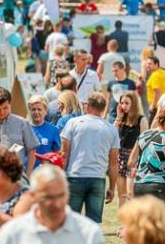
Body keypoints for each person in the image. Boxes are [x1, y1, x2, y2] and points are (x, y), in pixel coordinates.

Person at [61, 92, 120, 223]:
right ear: (104, 108)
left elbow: (64, 154)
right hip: (98, 179)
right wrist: (112, 187)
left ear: (88, 106)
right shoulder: (111, 129)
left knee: (70, 221)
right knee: (93, 224)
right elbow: (113, 162)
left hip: (74, 176)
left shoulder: (73, 123)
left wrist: (61, 177)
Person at [129, 104, 165, 209]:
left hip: (140, 186)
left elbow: (131, 161)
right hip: (160, 188)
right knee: (159, 224)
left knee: (143, 224)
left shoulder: (143, 135)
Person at [0, 87, 39, 174]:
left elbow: (32, 150)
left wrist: (28, 174)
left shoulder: (22, 123)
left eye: (5, 108)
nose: (2, 112)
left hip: (17, 175)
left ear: (10, 104)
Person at [114, 91, 148, 206]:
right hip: (121, 158)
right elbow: (112, 134)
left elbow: (144, 143)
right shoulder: (121, 119)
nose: (123, 106)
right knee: (121, 193)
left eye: (127, 103)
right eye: (122, 103)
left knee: (130, 193)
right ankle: (123, 221)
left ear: (133, 104)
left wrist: (139, 163)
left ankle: (131, 222)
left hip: (134, 159)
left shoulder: (141, 120)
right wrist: (118, 118)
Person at [28, 96, 61, 168]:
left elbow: (57, 154)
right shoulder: (24, 128)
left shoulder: (53, 130)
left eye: (39, 109)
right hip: (26, 173)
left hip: (45, 173)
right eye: (33, 109)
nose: (36, 112)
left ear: (46, 111)